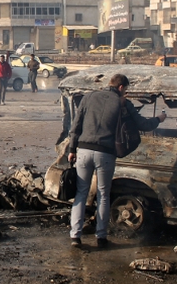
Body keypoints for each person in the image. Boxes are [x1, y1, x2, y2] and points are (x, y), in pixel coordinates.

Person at [67, 74, 166, 249]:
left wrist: (72, 149)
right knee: (103, 195)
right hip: (105, 153)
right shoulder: (122, 103)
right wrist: (159, 118)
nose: (125, 93)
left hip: (84, 150)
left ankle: (75, 236)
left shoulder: (89, 97)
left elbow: (76, 125)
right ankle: (101, 236)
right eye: (125, 89)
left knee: (81, 193)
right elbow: (143, 125)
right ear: (121, 87)